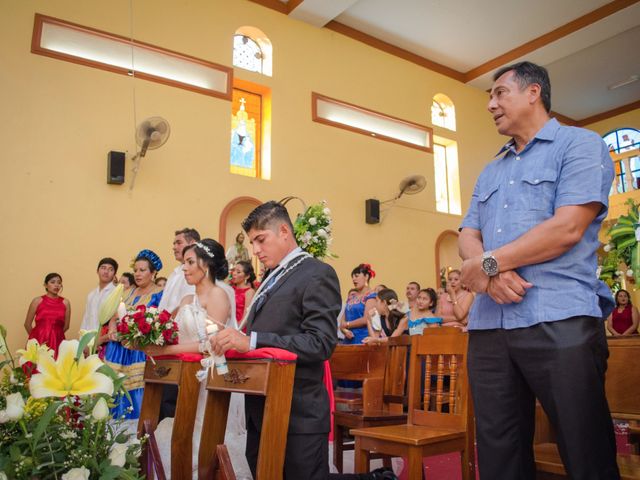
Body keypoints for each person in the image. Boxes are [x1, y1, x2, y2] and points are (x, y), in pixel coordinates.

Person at [459, 61, 619, 479]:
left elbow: (566, 228)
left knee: (585, 451)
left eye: (499, 93)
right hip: (490, 327)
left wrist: (490, 264)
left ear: (534, 92)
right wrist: (488, 273)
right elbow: (467, 235)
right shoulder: (490, 169)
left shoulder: (580, 145)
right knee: (499, 454)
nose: (490, 104)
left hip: (559, 318)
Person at [210, 201, 341, 480]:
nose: (255, 250)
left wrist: (253, 341)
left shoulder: (317, 273)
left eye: (260, 240)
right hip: (261, 407)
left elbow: (321, 343)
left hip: (297, 412)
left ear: (284, 231)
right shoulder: (272, 276)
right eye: (251, 242)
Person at [135, 239, 250, 478]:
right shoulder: (187, 300)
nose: (184, 268)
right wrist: (144, 337)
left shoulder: (218, 296)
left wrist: (166, 351)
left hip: (208, 375)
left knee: (205, 432)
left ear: (205, 266)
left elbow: (211, 344)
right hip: (185, 376)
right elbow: (171, 334)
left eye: (189, 262)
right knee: (180, 426)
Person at [104, 249, 164, 421]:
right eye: (135, 270)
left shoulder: (160, 293)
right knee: (113, 389)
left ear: (153, 273)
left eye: (142, 270)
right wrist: (112, 329)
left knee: (135, 392)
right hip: (117, 349)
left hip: (139, 351)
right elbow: (114, 316)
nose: (137, 274)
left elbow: (160, 322)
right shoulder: (127, 292)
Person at [24, 273, 70, 355]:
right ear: (45, 285)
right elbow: (27, 324)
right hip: (39, 340)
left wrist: (54, 334)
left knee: (55, 365)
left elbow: (66, 326)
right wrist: (35, 338)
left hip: (57, 341)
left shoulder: (65, 303)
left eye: (59, 283)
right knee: (36, 366)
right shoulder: (37, 301)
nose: (56, 285)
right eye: (52, 282)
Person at [158, 228, 201, 316]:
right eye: (174, 244)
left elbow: (189, 303)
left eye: (179, 243)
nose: (174, 247)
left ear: (192, 243)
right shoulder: (174, 273)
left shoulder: (196, 271)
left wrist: (166, 321)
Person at [339, 264, 377, 344]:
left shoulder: (371, 295)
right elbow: (343, 319)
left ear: (366, 276)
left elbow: (366, 319)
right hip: (348, 338)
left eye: (356, 276)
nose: (354, 279)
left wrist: (347, 325)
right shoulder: (352, 296)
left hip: (363, 339)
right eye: (352, 277)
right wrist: (344, 330)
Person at [80, 258, 118, 332]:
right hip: (89, 339)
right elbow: (86, 318)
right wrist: (82, 340)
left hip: (105, 339)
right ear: (97, 271)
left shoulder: (116, 293)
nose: (106, 272)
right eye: (103, 268)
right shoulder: (91, 294)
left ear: (114, 274)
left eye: (110, 269)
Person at [231, 260, 256, 329]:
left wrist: (236, 329)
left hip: (240, 327)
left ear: (247, 276)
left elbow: (246, 317)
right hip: (228, 324)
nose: (234, 273)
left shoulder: (249, 292)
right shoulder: (231, 289)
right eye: (234, 270)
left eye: (238, 272)